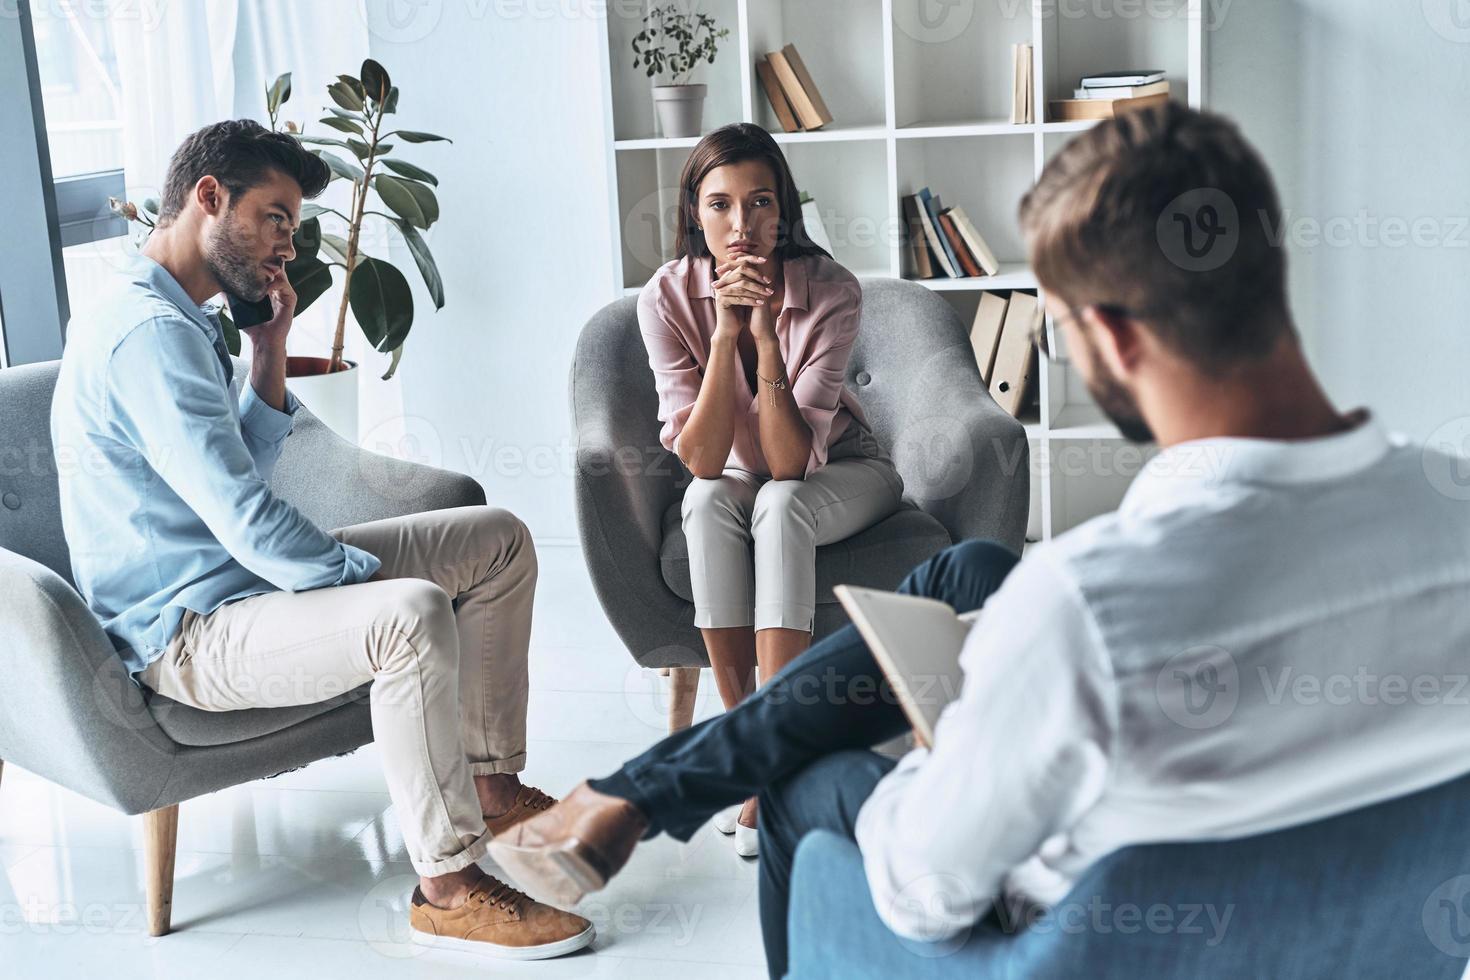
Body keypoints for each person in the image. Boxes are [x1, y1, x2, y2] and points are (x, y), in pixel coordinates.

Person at [489, 102, 1470, 976]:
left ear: (1114, 341)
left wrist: (956, 732)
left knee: (810, 779)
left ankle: (653, 787)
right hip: (1349, 933)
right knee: (974, 570)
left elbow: (923, 890)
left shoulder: (1087, 607)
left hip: (1041, 942)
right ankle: (642, 786)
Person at [50, 119, 592, 960]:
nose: (286, 243)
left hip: (237, 583)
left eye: (293, 226)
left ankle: (489, 788)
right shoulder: (147, 334)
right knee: (407, 613)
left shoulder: (176, 312)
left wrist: (268, 348)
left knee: (496, 541)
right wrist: (353, 574)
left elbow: (239, 467)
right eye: (274, 216)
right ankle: (447, 889)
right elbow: (246, 517)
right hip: (189, 632)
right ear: (208, 198)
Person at [637, 123, 905, 855]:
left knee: (780, 502)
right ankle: (757, 758)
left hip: (843, 471)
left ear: (782, 209)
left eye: (759, 203)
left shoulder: (831, 291)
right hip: (730, 476)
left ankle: (772, 754)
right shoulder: (665, 297)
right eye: (720, 205)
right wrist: (722, 334)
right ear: (696, 213)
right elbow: (700, 459)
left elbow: (790, 463)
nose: (741, 226)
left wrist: (763, 339)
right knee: (704, 499)